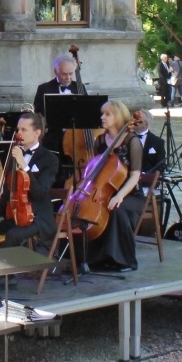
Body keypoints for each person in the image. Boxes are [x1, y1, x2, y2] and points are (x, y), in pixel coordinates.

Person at [71, 100, 145, 273]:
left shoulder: (132, 141)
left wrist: (119, 196)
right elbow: (96, 168)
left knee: (115, 209)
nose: (102, 117)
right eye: (102, 113)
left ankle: (124, 260)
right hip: (104, 192)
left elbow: (135, 175)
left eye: (107, 114)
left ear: (118, 117)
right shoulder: (100, 140)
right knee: (86, 212)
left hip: (129, 194)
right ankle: (93, 258)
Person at [0, 112, 58, 248]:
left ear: (37, 133)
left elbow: (40, 192)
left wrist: (25, 166)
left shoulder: (49, 159)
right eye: (18, 129)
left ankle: (10, 267)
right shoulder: (14, 153)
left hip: (37, 217)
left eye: (24, 130)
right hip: (14, 214)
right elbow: (8, 189)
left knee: (13, 235)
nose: (19, 133)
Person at [33, 52, 86, 154]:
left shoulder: (79, 87)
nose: (68, 77)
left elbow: (87, 112)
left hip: (76, 139)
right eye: (64, 74)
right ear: (55, 72)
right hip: (53, 138)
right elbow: (38, 114)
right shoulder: (44, 88)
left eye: (71, 73)